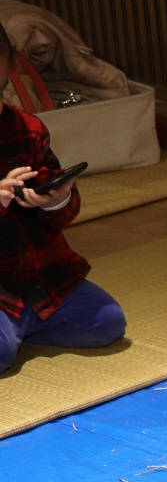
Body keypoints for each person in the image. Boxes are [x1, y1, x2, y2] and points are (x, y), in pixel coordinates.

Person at [0, 24, 124, 374]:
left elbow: (62, 212)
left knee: (107, 323)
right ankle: (13, 329)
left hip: (38, 272)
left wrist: (54, 199)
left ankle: (20, 325)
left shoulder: (27, 127)